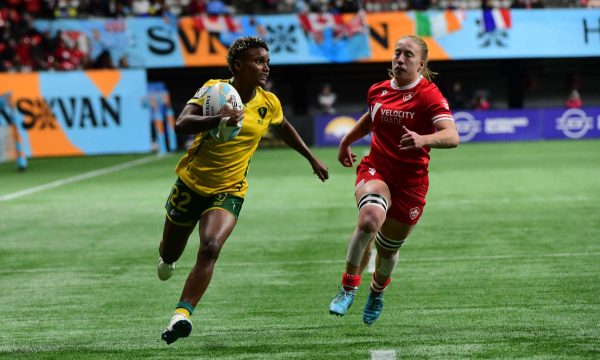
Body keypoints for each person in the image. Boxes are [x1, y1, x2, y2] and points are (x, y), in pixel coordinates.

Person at [158, 36, 329, 344]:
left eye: (267, 61)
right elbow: (182, 123)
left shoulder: (268, 102)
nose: (265, 67)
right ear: (238, 65)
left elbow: (284, 127)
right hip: (191, 183)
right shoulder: (213, 90)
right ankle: (168, 260)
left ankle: (181, 316)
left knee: (210, 247)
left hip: (230, 189)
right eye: (258, 61)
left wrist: (311, 158)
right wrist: (217, 118)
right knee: (169, 252)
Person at [327, 35, 459, 325]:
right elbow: (372, 118)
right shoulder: (378, 90)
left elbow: (452, 136)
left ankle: (376, 292)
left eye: (408, 55)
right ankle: (348, 287)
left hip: (411, 184)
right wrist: (346, 141)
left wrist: (424, 139)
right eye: (397, 53)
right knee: (369, 219)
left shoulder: (430, 95)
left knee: (388, 250)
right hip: (377, 169)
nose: (400, 59)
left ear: (420, 63)